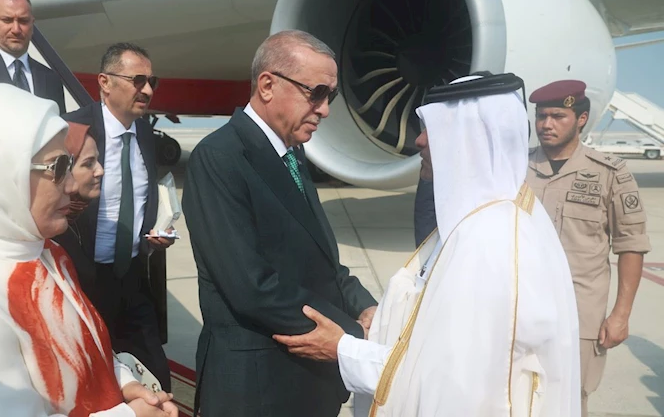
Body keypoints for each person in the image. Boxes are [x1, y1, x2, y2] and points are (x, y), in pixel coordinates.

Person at [274, 74, 581, 416]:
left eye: (432, 131)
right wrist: (386, 317)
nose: (419, 141)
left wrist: (342, 350)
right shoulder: (486, 218)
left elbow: (449, 385)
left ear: (469, 140)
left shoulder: (489, 243)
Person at [0, 82, 177, 417]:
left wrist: (124, 381)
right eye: (58, 168)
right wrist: (131, 415)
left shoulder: (46, 253)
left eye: (70, 165)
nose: (72, 184)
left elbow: (84, 351)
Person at [181, 30, 378, 417]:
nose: (325, 109)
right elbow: (252, 286)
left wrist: (368, 308)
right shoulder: (220, 158)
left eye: (331, 96)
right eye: (316, 93)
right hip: (257, 391)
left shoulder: (292, 155)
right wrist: (351, 336)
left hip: (306, 385)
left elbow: (322, 262)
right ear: (268, 85)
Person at [526, 80, 651, 416]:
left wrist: (620, 315)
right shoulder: (516, 169)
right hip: (522, 308)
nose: (546, 124)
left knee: (570, 399)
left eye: (558, 116)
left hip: (580, 315)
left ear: (581, 119)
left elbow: (631, 244)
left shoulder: (609, 173)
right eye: (541, 116)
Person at [61, 42, 175, 391]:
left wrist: (155, 234)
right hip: (84, 280)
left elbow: (142, 197)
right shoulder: (72, 131)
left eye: (152, 81)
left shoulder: (144, 132)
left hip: (133, 277)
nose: (148, 90)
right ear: (105, 82)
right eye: (138, 80)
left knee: (157, 377)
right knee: (91, 380)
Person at [54, 121, 105, 300]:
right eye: (88, 164)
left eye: (97, 160)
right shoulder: (49, 235)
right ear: (64, 170)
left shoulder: (79, 219)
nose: (100, 170)